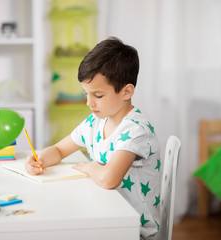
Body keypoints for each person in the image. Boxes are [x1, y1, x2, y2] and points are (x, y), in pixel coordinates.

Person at [25, 37, 161, 240]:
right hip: (107, 213)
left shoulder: (136, 130)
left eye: (98, 95)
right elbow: (60, 150)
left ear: (126, 91)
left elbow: (108, 179)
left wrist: (89, 168)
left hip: (133, 229)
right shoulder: (95, 122)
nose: (89, 102)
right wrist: (40, 158)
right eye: (86, 94)